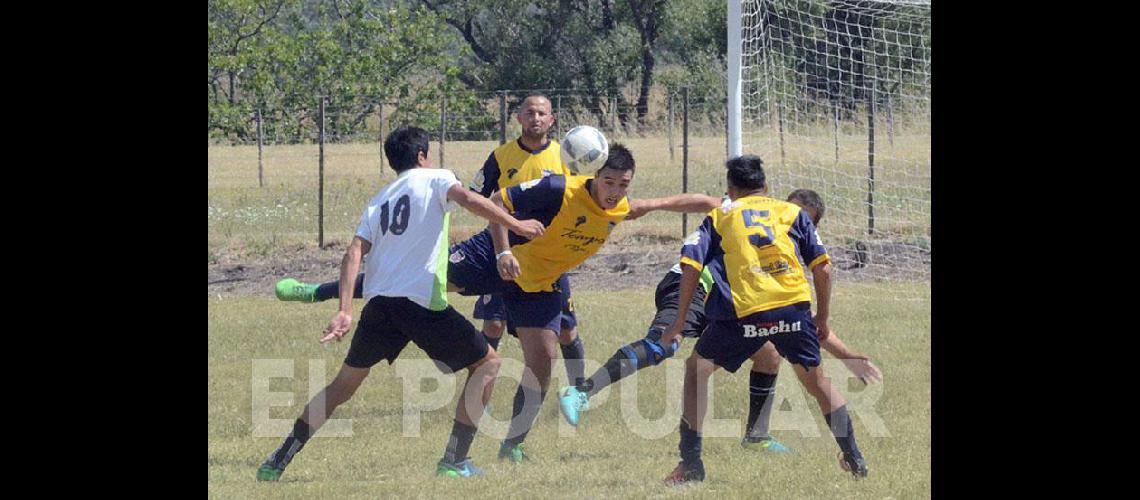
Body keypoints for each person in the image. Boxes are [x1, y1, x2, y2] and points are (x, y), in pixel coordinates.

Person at [255, 126, 545, 481]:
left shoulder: (380, 199)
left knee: (341, 386)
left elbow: (353, 253)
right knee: (487, 364)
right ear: (423, 156)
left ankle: (277, 461)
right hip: (420, 301)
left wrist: (345, 309)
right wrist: (517, 224)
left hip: (380, 303)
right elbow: (471, 200)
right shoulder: (437, 178)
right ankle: (454, 461)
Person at [273, 93, 592, 389]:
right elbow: (477, 196)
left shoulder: (566, 158)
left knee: (565, 331)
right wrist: (507, 229)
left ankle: (578, 393)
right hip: (498, 248)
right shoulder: (501, 156)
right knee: (482, 317)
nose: (536, 118)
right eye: (530, 112)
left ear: (552, 121)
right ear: (519, 118)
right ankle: (317, 291)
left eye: (542, 113)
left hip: (547, 259)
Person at [445, 144, 719, 462]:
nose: (615, 191)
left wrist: (722, 204)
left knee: (543, 361)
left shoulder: (619, 208)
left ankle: (512, 446)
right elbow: (496, 202)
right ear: (596, 175)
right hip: (498, 258)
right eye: (609, 182)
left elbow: (675, 202)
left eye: (623, 184)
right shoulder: (559, 188)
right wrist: (503, 251)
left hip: (540, 283)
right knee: (420, 289)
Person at [557, 189, 882, 455]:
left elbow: (804, 326)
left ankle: (757, 436)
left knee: (769, 353)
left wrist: (848, 356)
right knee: (663, 345)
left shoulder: (786, 259)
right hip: (697, 285)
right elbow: (702, 200)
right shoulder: (748, 213)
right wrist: (648, 204)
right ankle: (581, 392)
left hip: (730, 306)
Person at [661, 156, 869, 485]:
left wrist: (678, 322)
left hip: (743, 313)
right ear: (766, 187)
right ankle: (854, 456)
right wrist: (823, 318)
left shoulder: (720, 217)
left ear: (730, 189)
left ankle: (691, 464)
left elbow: (690, 264)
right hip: (793, 309)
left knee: (696, 370)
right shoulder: (791, 213)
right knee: (817, 382)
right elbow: (823, 267)